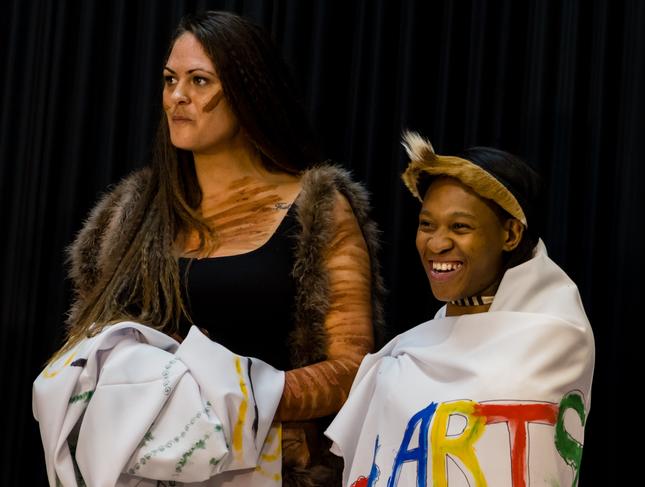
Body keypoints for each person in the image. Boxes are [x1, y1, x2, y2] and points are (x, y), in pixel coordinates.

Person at [33, 10, 384, 487]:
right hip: (134, 470)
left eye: (200, 81)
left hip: (265, 469)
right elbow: (87, 351)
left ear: (248, 91)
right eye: (170, 79)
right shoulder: (130, 214)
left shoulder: (316, 207)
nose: (178, 97)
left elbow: (352, 370)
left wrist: (234, 397)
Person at [325, 131, 595, 487]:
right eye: (426, 224)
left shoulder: (552, 341)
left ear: (510, 234)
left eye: (460, 227)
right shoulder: (407, 353)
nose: (436, 243)